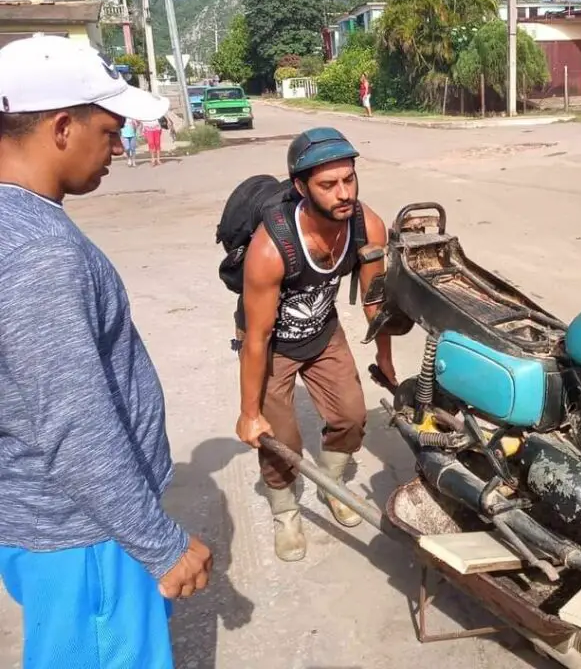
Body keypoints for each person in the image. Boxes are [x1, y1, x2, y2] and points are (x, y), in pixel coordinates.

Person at [0, 35, 212, 668]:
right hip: (85, 537)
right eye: (110, 129)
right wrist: (158, 543)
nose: (118, 148)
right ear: (62, 126)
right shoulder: (40, 252)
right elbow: (73, 422)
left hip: (50, 522)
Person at [234, 127, 397, 562]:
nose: (343, 193)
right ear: (301, 187)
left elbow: (374, 300)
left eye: (349, 180)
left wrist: (384, 357)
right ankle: (285, 510)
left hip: (323, 332)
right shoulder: (271, 248)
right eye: (328, 185)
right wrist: (249, 414)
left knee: (351, 416)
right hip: (272, 346)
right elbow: (257, 336)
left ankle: (331, 485)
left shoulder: (367, 225)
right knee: (279, 438)